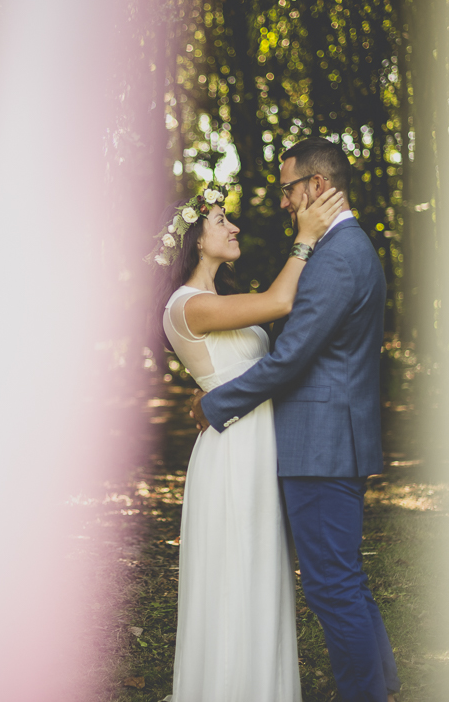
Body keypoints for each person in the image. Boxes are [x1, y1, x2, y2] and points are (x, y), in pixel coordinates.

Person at [191, 137, 401, 702]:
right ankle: (379, 686)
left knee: (333, 587)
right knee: (343, 578)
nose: (283, 201)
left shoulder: (339, 255)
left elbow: (291, 358)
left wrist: (216, 405)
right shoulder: (344, 249)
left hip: (322, 445)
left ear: (316, 186)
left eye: (288, 188)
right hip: (330, 440)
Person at [150, 183, 343, 702]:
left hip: (257, 445)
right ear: (195, 240)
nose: (233, 226)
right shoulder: (187, 305)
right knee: (235, 574)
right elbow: (281, 301)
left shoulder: (219, 299)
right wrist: (305, 238)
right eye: (219, 220)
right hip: (233, 453)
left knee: (259, 569)